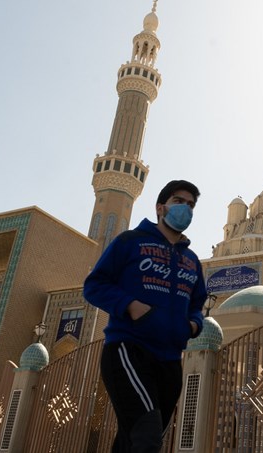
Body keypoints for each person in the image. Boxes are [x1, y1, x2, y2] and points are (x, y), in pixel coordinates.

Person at [84, 179, 207, 452]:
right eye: (179, 202)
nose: (185, 208)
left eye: (191, 205)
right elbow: (94, 286)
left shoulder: (192, 262)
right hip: (129, 350)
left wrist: (193, 325)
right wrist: (130, 305)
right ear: (161, 208)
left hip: (171, 359)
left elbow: (197, 304)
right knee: (147, 435)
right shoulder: (130, 242)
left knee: (135, 440)